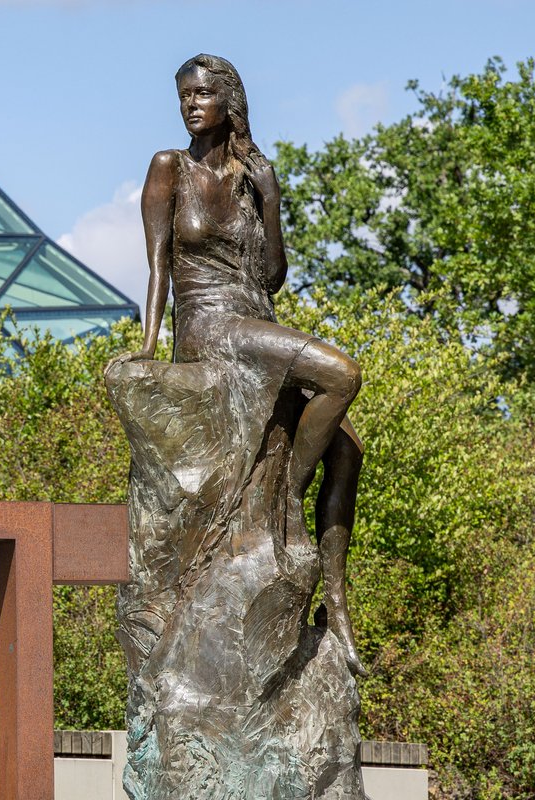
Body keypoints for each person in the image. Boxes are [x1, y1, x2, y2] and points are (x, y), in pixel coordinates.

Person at [113, 53, 367, 676]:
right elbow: (158, 265)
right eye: (183, 98)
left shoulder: (253, 176)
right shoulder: (168, 168)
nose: (190, 105)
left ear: (229, 100)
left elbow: (274, 276)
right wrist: (149, 346)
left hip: (257, 323)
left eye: (200, 94)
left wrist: (272, 196)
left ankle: (335, 606)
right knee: (343, 374)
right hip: (211, 327)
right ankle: (286, 496)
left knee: (349, 449)